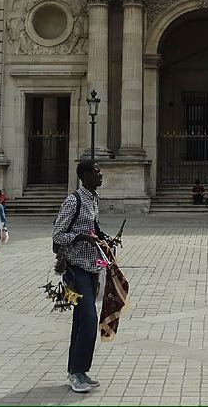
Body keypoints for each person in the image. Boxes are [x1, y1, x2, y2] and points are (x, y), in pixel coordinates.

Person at [52, 160, 116, 394]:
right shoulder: (73, 200)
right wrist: (84, 238)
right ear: (85, 175)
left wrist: (104, 238)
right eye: (97, 173)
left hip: (91, 269)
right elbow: (58, 234)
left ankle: (77, 371)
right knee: (89, 320)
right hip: (74, 269)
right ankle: (77, 372)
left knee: (81, 322)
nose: (101, 176)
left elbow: (94, 227)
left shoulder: (92, 199)